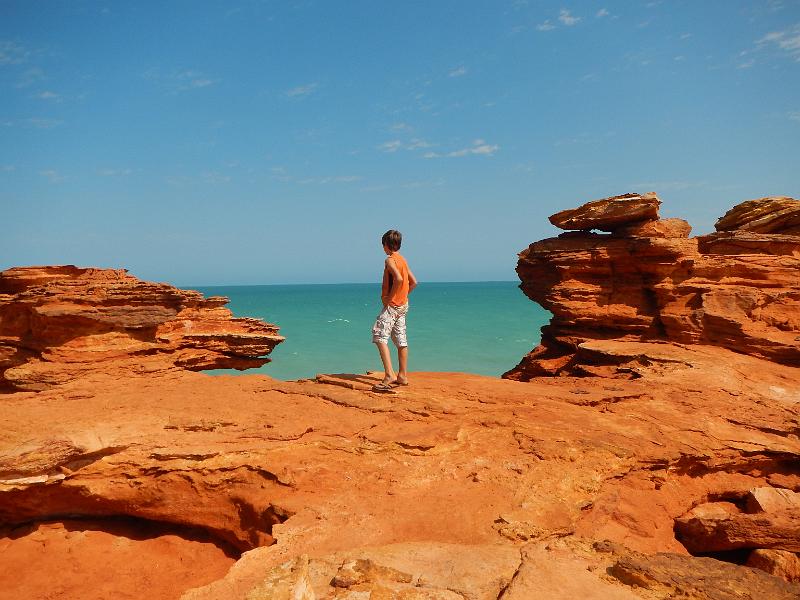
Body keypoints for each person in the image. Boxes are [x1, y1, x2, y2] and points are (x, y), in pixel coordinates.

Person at [371, 229, 417, 392]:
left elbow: (397, 278)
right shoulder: (402, 259)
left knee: (379, 336)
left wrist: (389, 300)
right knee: (400, 339)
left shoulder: (390, 260)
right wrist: (402, 296)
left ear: (386, 245)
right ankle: (402, 375)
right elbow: (414, 282)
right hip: (403, 305)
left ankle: (389, 375)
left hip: (393, 306)